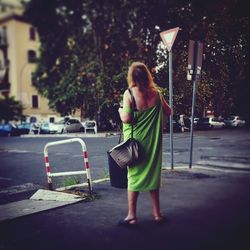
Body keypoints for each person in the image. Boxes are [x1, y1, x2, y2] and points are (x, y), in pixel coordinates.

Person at [118, 62, 171, 226]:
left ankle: (132, 216)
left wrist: (120, 111)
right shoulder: (157, 94)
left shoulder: (129, 94)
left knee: (133, 177)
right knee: (152, 176)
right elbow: (168, 111)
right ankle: (157, 214)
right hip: (153, 143)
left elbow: (127, 118)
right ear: (147, 75)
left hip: (136, 144)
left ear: (132, 76)